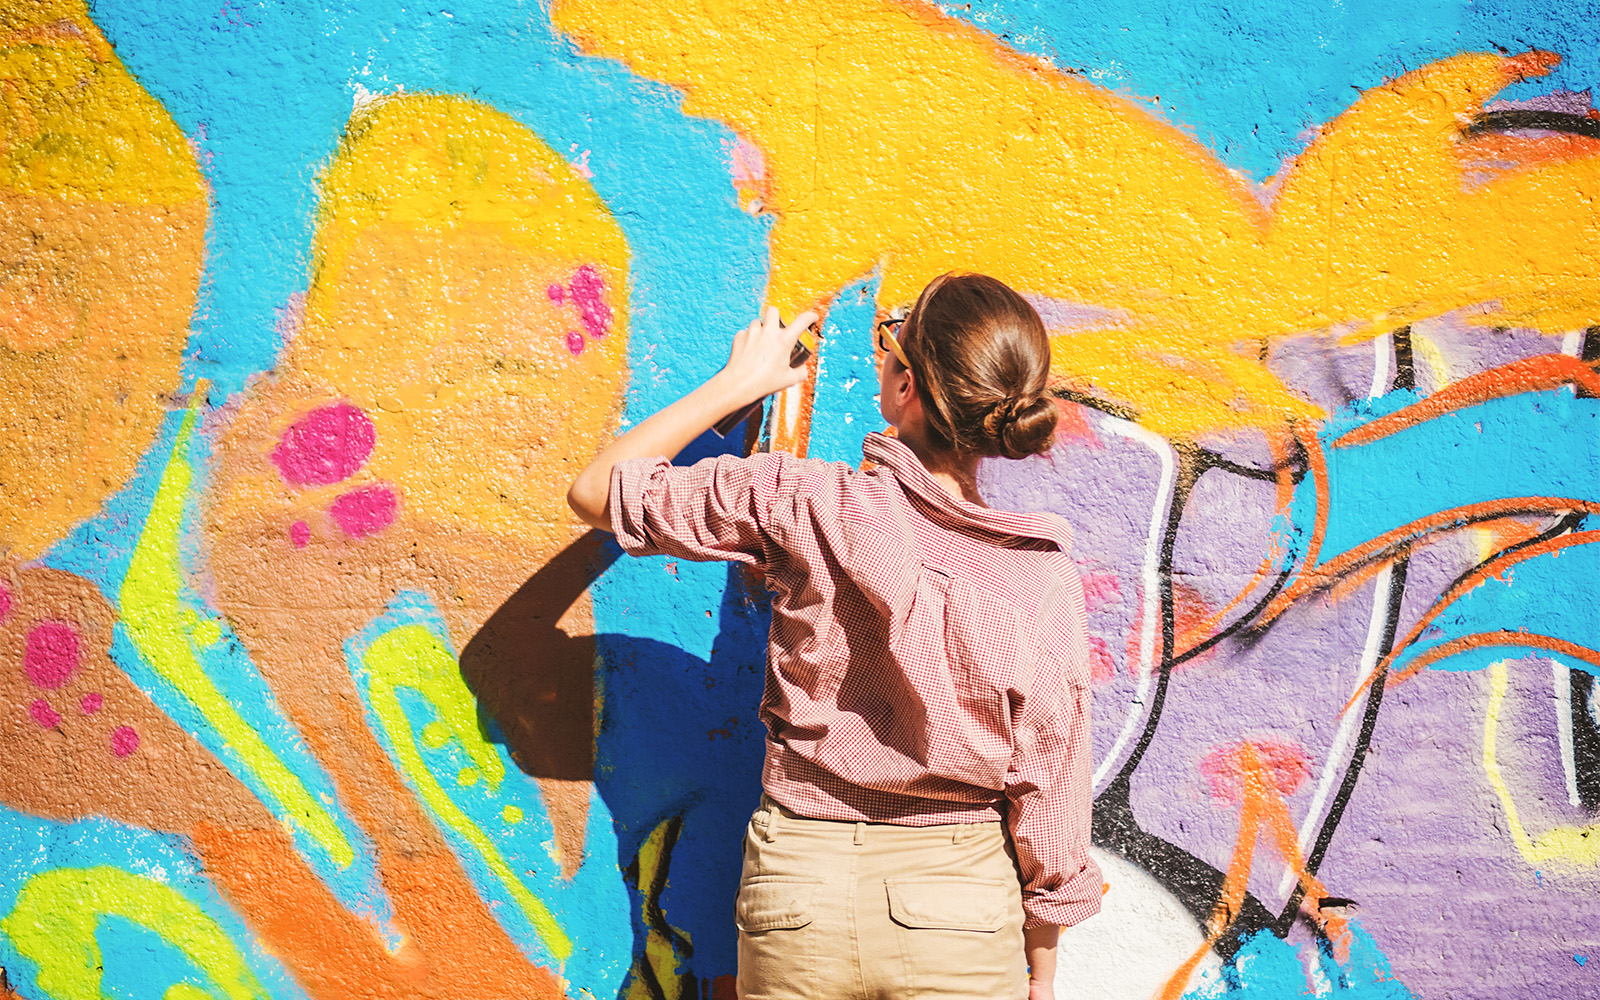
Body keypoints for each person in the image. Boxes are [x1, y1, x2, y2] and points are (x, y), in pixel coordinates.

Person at [568, 273, 1101, 1000]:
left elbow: (599, 491)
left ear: (904, 384)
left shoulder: (806, 502)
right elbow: (1052, 785)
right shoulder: (1038, 578)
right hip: (960, 907)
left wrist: (738, 382)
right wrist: (1042, 962)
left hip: (799, 893)